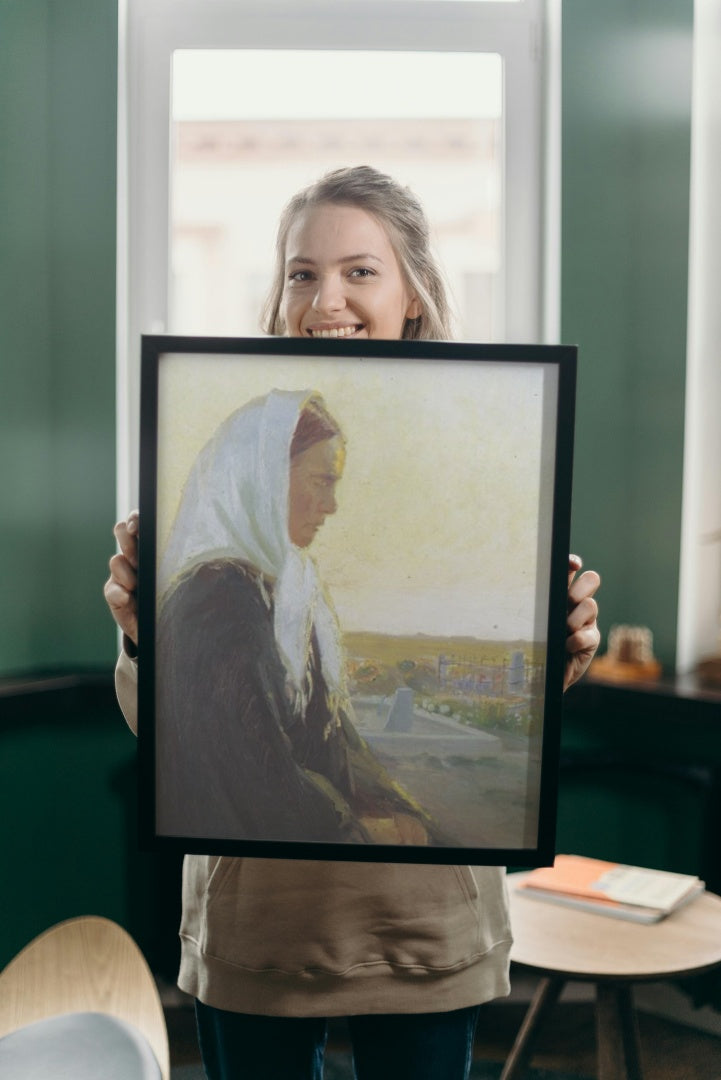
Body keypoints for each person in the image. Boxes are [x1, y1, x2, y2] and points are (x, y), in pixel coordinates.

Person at [105, 165, 601, 1080]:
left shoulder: (492, 436)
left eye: (359, 271)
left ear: (413, 291)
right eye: (301, 272)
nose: (324, 297)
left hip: (421, 926)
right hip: (264, 928)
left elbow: (334, 733)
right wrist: (142, 642)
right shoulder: (227, 562)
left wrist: (555, 655)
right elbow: (189, 740)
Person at [155, 388, 440, 846]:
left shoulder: (285, 592)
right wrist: (359, 829)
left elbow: (333, 745)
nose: (331, 506)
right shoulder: (211, 603)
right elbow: (256, 777)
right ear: (265, 479)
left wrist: (406, 818)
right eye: (321, 481)